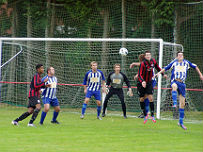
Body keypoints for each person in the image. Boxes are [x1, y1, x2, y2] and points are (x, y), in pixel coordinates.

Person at [154, 51, 203, 130]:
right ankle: (174, 103)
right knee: (174, 86)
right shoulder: (174, 63)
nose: (180, 56)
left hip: (182, 84)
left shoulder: (186, 63)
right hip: (175, 81)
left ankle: (181, 122)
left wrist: (200, 75)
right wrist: (158, 73)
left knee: (182, 104)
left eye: (181, 55)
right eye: (179, 55)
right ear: (177, 57)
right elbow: (165, 68)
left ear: (183, 56)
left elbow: (195, 66)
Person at [137, 51, 167, 124]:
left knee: (151, 97)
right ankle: (144, 113)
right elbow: (139, 74)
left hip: (149, 82)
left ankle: (153, 114)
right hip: (141, 83)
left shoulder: (153, 61)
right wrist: (142, 81)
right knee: (142, 98)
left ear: (150, 55)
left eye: (149, 55)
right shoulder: (143, 64)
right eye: (146, 55)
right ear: (145, 56)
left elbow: (158, 68)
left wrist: (163, 74)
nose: (148, 56)